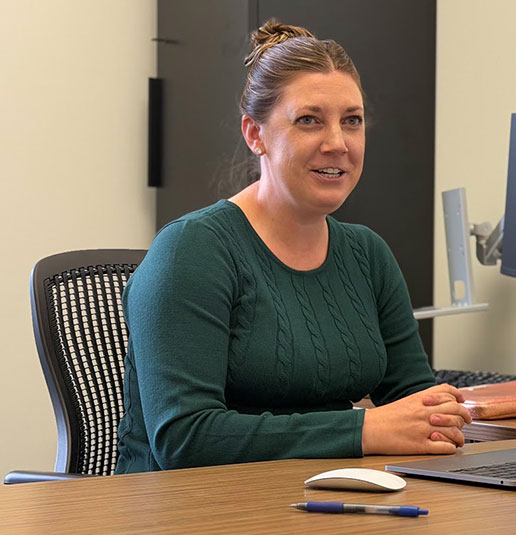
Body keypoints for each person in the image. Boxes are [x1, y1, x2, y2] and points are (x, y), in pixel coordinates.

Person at [114, 20, 471, 473]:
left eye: (352, 121)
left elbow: (414, 401)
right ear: (255, 134)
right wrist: (364, 429)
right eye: (309, 121)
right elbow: (185, 439)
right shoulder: (192, 251)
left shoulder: (368, 254)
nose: (337, 144)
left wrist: (441, 416)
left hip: (320, 493)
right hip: (184, 508)